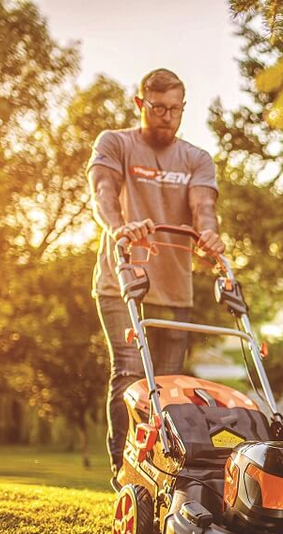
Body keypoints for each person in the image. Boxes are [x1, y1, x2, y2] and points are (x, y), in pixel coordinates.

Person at [88, 68, 226, 480]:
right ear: (140, 105)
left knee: (168, 387)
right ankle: (123, 471)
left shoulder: (196, 158)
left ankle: (159, 472)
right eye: (158, 108)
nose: (167, 116)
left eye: (175, 109)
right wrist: (119, 228)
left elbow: (203, 207)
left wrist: (209, 236)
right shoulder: (116, 143)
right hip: (123, 281)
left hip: (174, 290)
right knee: (131, 373)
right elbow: (102, 191)